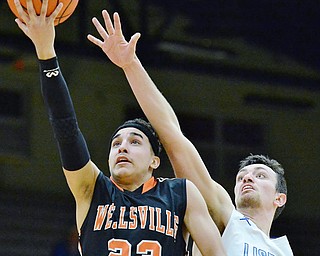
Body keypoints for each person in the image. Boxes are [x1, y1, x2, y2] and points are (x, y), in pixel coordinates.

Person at [13, 0, 226, 255]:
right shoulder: (92, 188)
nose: (122, 147)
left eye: (135, 142)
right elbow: (65, 128)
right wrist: (46, 51)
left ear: (154, 161)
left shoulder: (179, 193)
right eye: (116, 143)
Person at [86, 7, 294, 256]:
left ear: (279, 198)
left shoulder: (283, 251)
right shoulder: (226, 218)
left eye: (260, 176)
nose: (246, 178)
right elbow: (173, 138)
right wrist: (131, 65)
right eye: (241, 177)